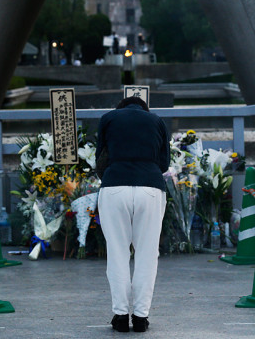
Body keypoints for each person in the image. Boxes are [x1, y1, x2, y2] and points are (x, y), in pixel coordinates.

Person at [95, 96, 170, 333]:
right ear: (144, 109)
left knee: (117, 253)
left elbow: (101, 158)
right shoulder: (157, 121)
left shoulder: (108, 119)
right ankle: (140, 317)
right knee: (147, 254)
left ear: (121, 108)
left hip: (115, 186)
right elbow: (164, 163)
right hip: (150, 187)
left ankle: (120, 316)